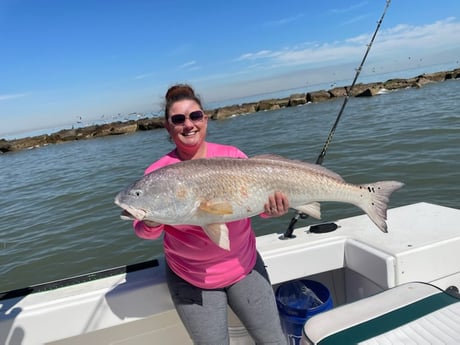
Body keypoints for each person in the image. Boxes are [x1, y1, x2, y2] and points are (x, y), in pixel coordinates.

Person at [133, 83, 289, 345]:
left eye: (195, 116)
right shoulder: (158, 173)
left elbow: (250, 205)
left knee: (274, 341)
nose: (188, 125)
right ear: (168, 126)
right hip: (190, 277)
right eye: (179, 119)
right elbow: (143, 230)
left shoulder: (233, 156)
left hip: (244, 267)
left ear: (205, 119)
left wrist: (271, 210)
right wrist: (149, 220)